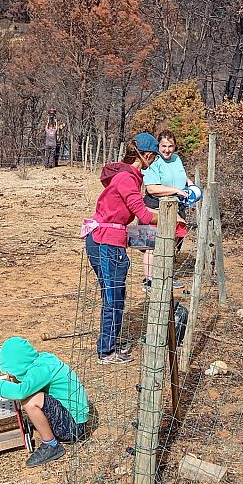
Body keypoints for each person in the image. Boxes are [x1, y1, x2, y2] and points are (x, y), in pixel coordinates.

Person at [83, 132, 184, 364]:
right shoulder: (127, 179)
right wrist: (172, 218)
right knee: (113, 297)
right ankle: (106, 351)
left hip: (106, 237)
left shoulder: (127, 175)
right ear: (146, 155)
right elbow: (144, 216)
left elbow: (134, 213)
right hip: (107, 241)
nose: (155, 160)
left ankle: (109, 341)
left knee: (114, 295)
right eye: (154, 156)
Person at [0, 336, 90, 467]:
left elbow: (21, 391)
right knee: (30, 395)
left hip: (73, 428)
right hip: (72, 416)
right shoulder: (41, 361)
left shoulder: (41, 369)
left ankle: (51, 445)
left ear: (18, 366)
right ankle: (47, 429)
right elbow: (27, 383)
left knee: (30, 400)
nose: (11, 376)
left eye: (11, 373)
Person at [142, 130, 191, 291]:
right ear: (158, 146)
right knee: (152, 247)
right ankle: (149, 281)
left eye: (170, 146)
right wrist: (175, 190)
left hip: (176, 207)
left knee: (171, 245)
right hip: (154, 208)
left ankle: (166, 277)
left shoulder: (177, 159)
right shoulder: (153, 161)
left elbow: (182, 177)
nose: (167, 150)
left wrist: (191, 185)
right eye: (163, 146)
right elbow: (152, 188)